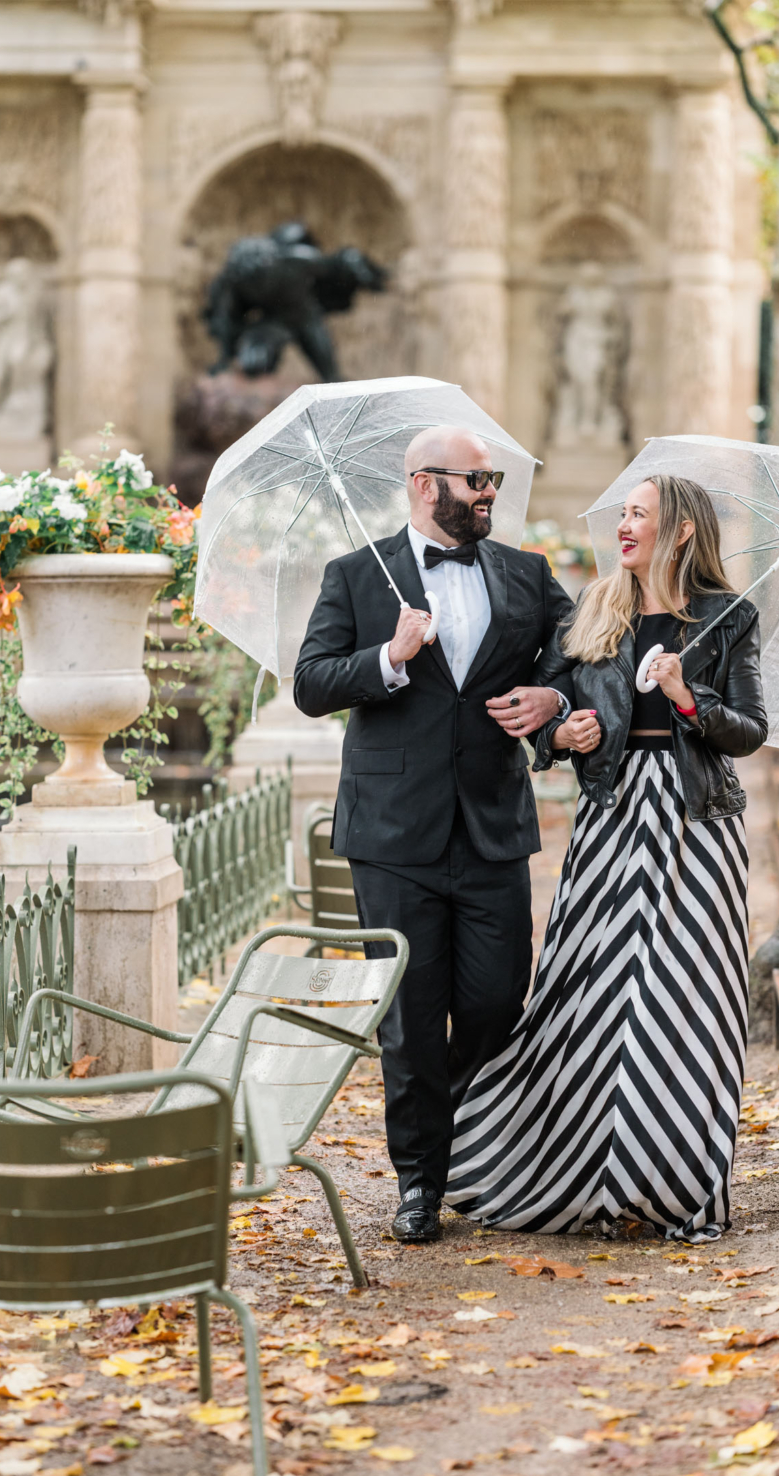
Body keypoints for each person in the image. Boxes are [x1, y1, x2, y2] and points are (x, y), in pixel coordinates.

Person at [446, 474, 768, 1243]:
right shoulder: (597, 609)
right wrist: (560, 730)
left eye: (639, 514)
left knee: (685, 1004)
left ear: (681, 530)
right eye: (621, 512)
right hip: (612, 819)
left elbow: (749, 730)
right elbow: (546, 702)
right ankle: (571, 1174)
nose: (624, 525)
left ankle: (673, 1187)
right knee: (586, 992)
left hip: (697, 828)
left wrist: (690, 698)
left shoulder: (729, 616)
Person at [293, 426, 573, 1243]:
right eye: (476, 480)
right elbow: (313, 683)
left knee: (494, 1001)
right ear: (425, 484)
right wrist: (387, 655)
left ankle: (455, 1135)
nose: (490, 493)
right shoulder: (355, 575)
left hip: (492, 823)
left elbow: (575, 655)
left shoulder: (527, 573)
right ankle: (421, 1182)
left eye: (493, 481)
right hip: (391, 834)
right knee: (411, 1018)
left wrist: (550, 703)